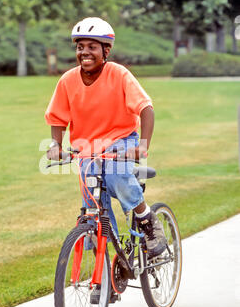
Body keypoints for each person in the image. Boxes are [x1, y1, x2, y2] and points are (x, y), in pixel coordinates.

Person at [45, 17, 168, 259]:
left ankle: (147, 220)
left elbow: (146, 109)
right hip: (87, 150)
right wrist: (55, 145)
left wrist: (142, 147)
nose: (85, 52)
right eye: (80, 47)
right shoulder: (68, 80)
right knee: (93, 207)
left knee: (116, 174)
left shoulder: (119, 74)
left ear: (106, 50)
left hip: (121, 141)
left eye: (92, 47)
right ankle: (107, 268)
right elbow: (57, 118)